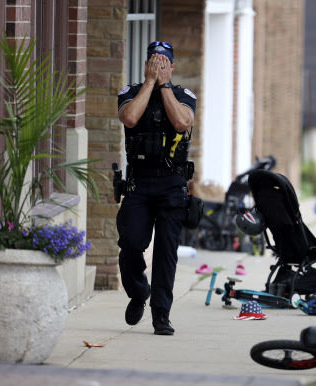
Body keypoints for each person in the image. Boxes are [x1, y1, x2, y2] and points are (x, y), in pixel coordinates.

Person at [116, 41, 196, 335]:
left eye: (164, 63)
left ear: (172, 67)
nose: (160, 66)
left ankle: (161, 314)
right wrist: (150, 83)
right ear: (146, 64)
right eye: (154, 62)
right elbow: (130, 118)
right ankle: (139, 292)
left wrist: (163, 86)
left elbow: (179, 122)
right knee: (130, 245)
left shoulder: (183, 95)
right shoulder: (130, 92)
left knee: (166, 252)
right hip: (139, 182)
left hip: (172, 184)